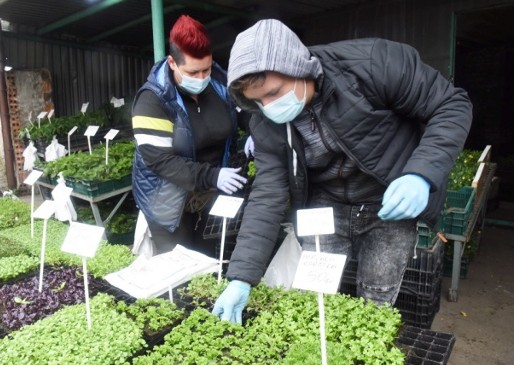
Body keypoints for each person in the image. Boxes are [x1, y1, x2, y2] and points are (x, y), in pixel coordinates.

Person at [212, 19, 473, 323]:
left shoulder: (371, 64)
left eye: (274, 92)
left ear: (299, 67)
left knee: (377, 294)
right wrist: (241, 276)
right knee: (314, 297)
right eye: (257, 100)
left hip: (387, 200)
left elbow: (451, 105)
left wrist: (422, 173)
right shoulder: (264, 122)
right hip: (325, 202)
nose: (268, 106)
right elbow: (268, 194)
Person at [131, 15, 247, 257]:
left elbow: (241, 110)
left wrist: (254, 129)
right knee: (179, 269)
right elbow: (159, 161)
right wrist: (212, 176)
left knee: (210, 260)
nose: (202, 77)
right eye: (194, 72)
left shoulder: (218, 82)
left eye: (206, 68)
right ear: (173, 63)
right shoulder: (153, 100)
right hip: (168, 202)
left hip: (209, 194)